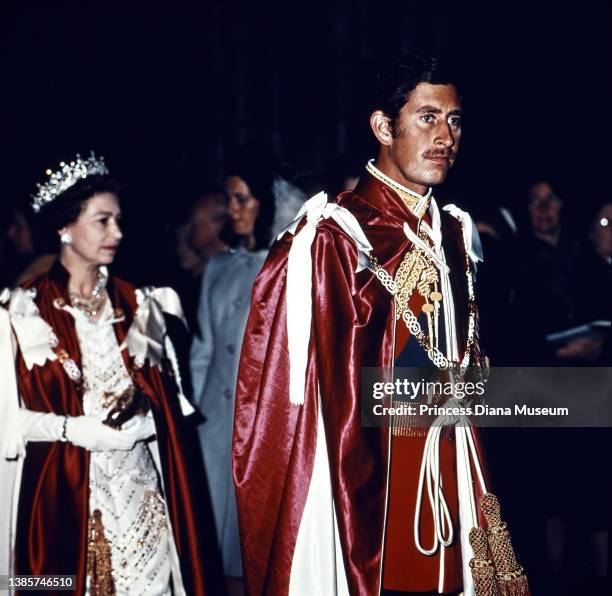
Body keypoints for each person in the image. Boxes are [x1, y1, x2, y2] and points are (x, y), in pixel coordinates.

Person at [233, 56, 527, 595]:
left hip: (458, 470)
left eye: (455, 121)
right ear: (382, 127)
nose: (445, 136)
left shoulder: (455, 231)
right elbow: (312, 399)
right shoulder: (334, 237)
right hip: (376, 488)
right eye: (427, 118)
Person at [0, 153, 210, 595]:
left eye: (118, 219)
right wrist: (74, 429)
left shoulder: (142, 305)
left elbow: (175, 411)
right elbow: (8, 423)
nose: (117, 232)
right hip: (62, 499)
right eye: (102, 220)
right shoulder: (20, 312)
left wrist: (145, 416)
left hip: (142, 502)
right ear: (65, 227)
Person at [190, 151, 305, 591]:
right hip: (213, 428)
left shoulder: (286, 269)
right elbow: (203, 349)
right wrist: (196, 418)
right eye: (230, 199)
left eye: (242, 199)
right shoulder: (218, 267)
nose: (232, 209)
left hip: (260, 430)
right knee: (210, 549)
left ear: (266, 204)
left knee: (251, 549)